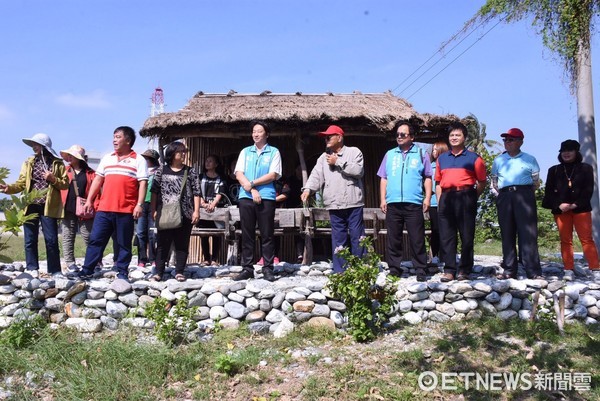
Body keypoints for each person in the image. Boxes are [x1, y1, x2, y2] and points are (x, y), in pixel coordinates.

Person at [74, 126, 148, 281]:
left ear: (128, 140)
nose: (114, 140)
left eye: (118, 137)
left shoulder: (139, 160)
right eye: (114, 136)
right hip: (104, 209)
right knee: (96, 240)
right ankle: (87, 269)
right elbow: (98, 180)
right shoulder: (107, 158)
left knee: (123, 243)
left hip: (126, 210)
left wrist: (139, 204)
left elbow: (143, 184)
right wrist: (89, 200)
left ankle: (122, 272)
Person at [0, 133, 68, 277]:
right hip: (30, 205)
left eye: (36, 144)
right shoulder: (29, 162)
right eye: (33, 145)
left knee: (51, 239)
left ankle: (55, 270)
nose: (34, 147)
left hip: (48, 206)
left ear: (44, 146)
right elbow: (21, 183)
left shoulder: (57, 163)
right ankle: (32, 268)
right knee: (30, 239)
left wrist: (52, 179)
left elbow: (65, 184)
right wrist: (8, 188)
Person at [301, 125, 365, 273]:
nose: (326, 139)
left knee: (357, 238)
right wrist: (308, 189)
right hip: (334, 205)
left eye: (329, 136)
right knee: (338, 240)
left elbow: (358, 171)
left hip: (353, 203)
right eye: (325, 137)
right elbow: (316, 176)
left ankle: (361, 270)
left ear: (339, 137)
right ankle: (340, 272)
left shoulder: (354, 152)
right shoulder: (323, 158)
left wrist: (338, 162)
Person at [377, 121, 432, 281]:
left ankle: (420, 269)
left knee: (417, 237)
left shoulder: (421, 153)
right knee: (393, 237)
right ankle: (394, 268)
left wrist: (427, 197)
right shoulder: (390, 154)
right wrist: (382, 199)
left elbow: (428, 177)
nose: (399, 137)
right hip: (393, 202)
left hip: (413, 202)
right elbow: (383, 178)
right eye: (397, 134)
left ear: (412, 137)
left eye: (403, 134)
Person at [435, 122, 486, 282]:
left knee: (466, 235)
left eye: (458, 135)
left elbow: (482, 182)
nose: (454, 138)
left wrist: (471, 197)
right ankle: (449, 269)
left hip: (466, 196)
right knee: (447, 236)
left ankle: (464, 269)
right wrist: (439, 200)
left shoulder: (474, 158)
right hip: (446, 198)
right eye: (452, 135)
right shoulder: (442, 159)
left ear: (464, 137)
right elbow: (438, 182)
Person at [232, 121, 282, 282]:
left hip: (266, 196)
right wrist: (251, 189)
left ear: (266, 134)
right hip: (246, 197)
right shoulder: (245, 152)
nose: (256, 134)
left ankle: (268, 268)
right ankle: (247, 268)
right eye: (254, 131)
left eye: (259, 131)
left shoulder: (274, 152)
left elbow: (273, 174)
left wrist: (253, 184)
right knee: (247, 234)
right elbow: (239, 173)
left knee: (267, 234)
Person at [491, 128, 543, 280]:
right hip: (505, 195)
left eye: (511, 139)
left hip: (524, 195)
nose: (507, 142)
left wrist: (523, 192)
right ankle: (509, 270)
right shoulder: (498, 160)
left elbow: (535, 182)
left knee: (528, 234)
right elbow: (495, 182)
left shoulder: (529, 159)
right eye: (505, 140)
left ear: (520, 141)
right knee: (507, 232)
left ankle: (533, 271)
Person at [542, 139, 599, 276]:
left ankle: (595, 267)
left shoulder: (586, 168)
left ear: (576, 152)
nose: (566, 153)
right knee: (565, 240)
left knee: (586, 239)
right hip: (560, 210)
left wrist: (574, 205)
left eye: (570, 150)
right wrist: (560, 205)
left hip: (581, 209)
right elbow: (548, 192)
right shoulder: (554, 170)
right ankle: (568, 268)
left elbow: (588, 190)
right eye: (563, 151)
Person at [150, 142, 201, 281]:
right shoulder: (161, 170)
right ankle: (159, 272)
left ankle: (179, 271)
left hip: (185, 212)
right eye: (181, 151)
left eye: (185, 151)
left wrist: (196, 211)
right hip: (165, 212)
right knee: (162, 243)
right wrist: (153, 209)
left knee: (182, 243)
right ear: (172, 153)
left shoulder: (190, 171)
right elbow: (154, 191)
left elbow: (197, 192)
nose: (184, 154)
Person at [59, 145, 97, 274]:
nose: (69, 157)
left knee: (88, 235)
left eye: (72, 155)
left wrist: (93, 205)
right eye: (68, 155)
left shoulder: (90, 173)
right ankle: (70, 262)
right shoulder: (64, 170)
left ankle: (93, 261)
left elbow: (96, 191)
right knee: (68, 236)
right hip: (68, 207)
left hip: (84, 208)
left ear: (78, 158)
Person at [198, 154, 226, 266]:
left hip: (216, 209)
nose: (207, 163)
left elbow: (221, 192)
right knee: (203, 234)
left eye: (210, 161)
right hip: (202, 209)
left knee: (216, 234)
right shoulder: (201, 177)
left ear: (216, 164)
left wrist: (214, 203)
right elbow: (197, 191)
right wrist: (202, 203)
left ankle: (214, 259)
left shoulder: (221, 178)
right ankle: (206, 258)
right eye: (206, 161)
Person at [136, 149, 160, 269]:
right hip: (141, 204)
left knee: (153, 233)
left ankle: (153, 258)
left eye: (146, 158)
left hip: (153, 205)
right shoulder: (140, 172)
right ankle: (141, 259)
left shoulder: (159, 173)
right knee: (140, 233)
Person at [429, 141, 449, 265]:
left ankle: (448, 255)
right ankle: (435, 255)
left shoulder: (447, 165)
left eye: (436, 149)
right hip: (433, 202)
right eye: (433, 149)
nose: (434, 152)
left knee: (447, 230)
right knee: (435, 229)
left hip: (446, 201)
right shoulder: (430, 166)